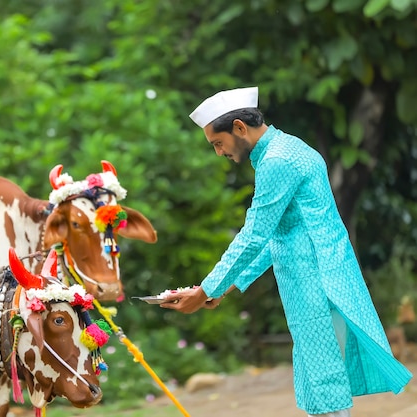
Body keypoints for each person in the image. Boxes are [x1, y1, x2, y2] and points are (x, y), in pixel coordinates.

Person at [160, 86, 413, 417]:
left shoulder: (277, 161)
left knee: (325, 391)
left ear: (239, 127)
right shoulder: (290, 148)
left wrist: (207, 289)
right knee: (319, 389)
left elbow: (254, 235)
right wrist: (226, 286)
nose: (219, 152)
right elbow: (278, 235)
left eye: (218, 143)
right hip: (318, 283)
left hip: (316, 286)